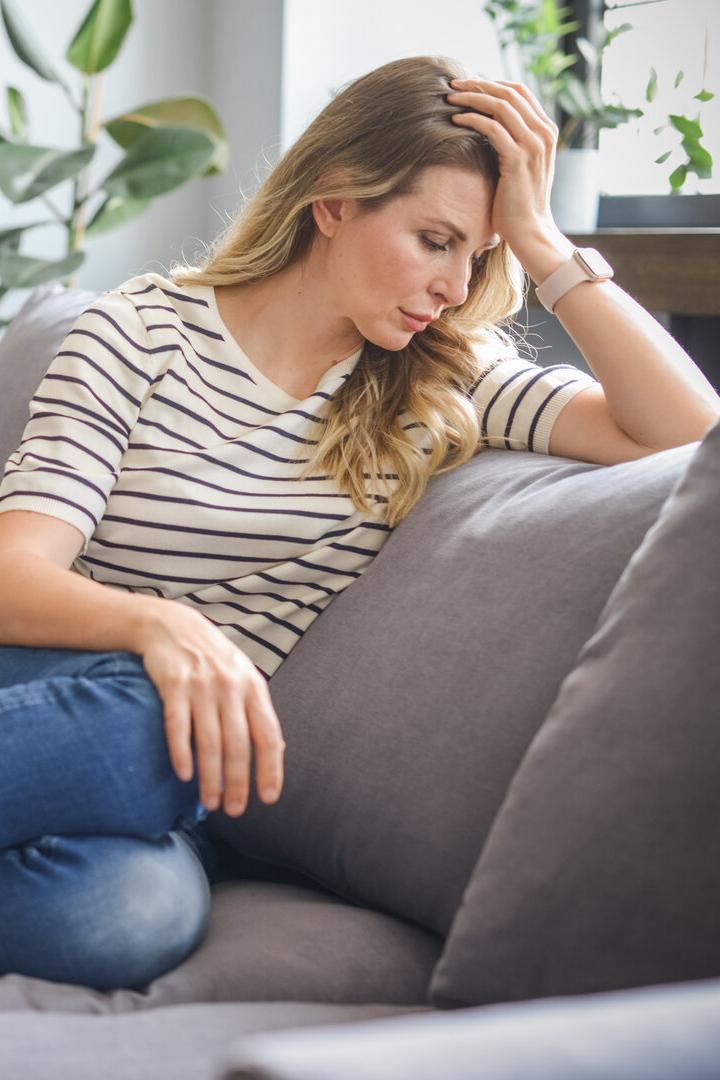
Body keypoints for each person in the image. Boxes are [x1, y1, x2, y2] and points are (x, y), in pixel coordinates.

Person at [0, 54, 717, 992]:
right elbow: (15, 574)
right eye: (433, 239)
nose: (457, 286)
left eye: (478, 253)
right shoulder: (141, 333)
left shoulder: (441, 383)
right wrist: (164, 628)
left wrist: (544, 243)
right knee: (150, 717)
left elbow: (693, 439)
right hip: (78, 698)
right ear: (333, 201)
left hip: (184, 779)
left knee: (129, 920)